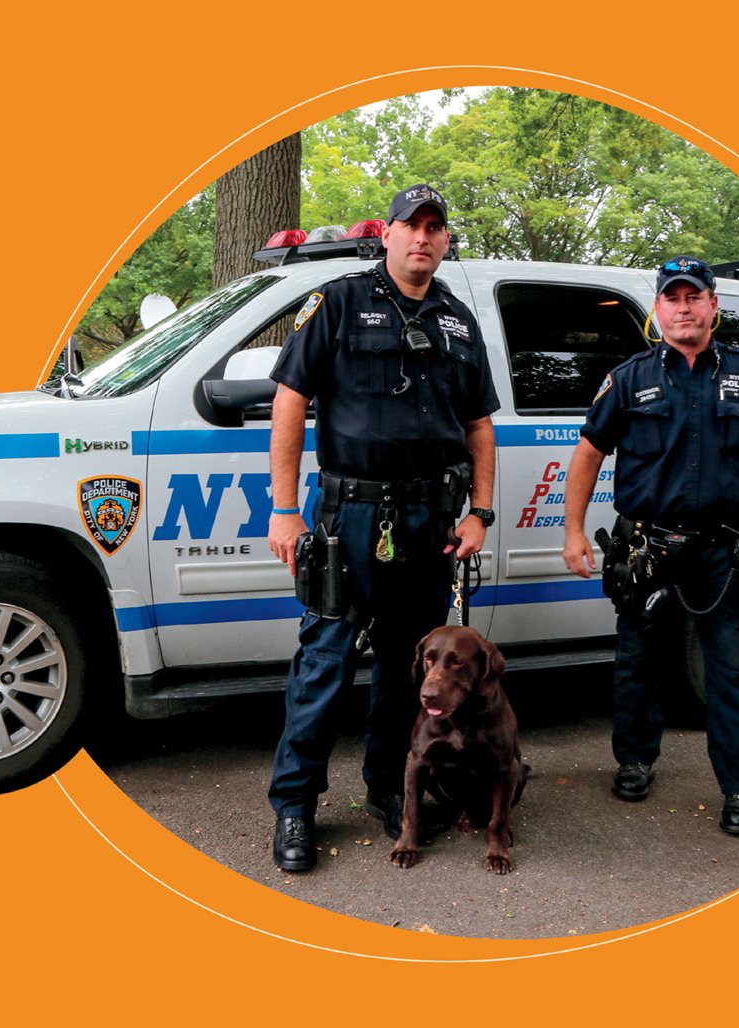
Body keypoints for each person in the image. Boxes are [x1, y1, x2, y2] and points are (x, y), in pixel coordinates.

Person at [266, 185, 499, 871]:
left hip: (431, 520)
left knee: (409, 671)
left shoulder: (458, 321)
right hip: (351, 518)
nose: (423, 238)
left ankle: (389, 792)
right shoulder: (338, 302)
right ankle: (295, 809)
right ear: (388, 235)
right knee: (325, 665)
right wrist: (284, 508)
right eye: (411, 226)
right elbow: (290, 401)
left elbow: (480, 425)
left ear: (446, 240)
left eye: (436, 228)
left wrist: (479, 512)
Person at [562, 256, 739, 836]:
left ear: (712, 306)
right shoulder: (629, 378)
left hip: (725, 553)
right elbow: (588, 453)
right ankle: (634, 760)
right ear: (658, 310)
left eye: (693, 297)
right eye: (672, 298)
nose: (683, 308)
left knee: (735, 671)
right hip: (648, 548)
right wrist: (574, 531)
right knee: (637, 663)